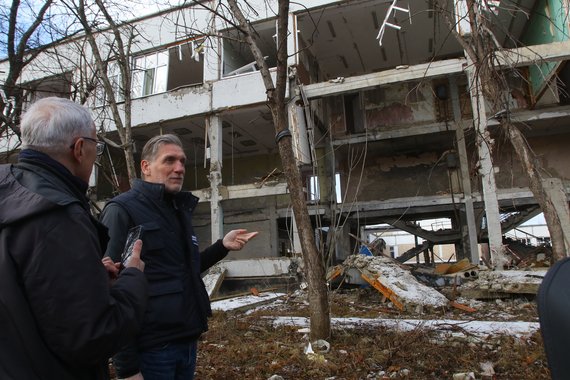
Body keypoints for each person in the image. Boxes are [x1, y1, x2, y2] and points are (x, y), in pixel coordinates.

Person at [0, 97, 148, 380]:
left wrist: (88, 277)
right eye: (96, 146)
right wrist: (132, 278)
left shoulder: (10, 196)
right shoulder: (59, 216)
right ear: (79, 148)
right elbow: (92, 338)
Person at [100, 134, 257, 380]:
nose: (179, 168)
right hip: (151, 350)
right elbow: (110, 290)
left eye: (182, 161)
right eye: (170, 160)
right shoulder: (122, 210)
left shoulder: (178, 210)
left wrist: (221, 246)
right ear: (146, 166)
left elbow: (185, 270)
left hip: (186, 343)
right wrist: (127, 368)